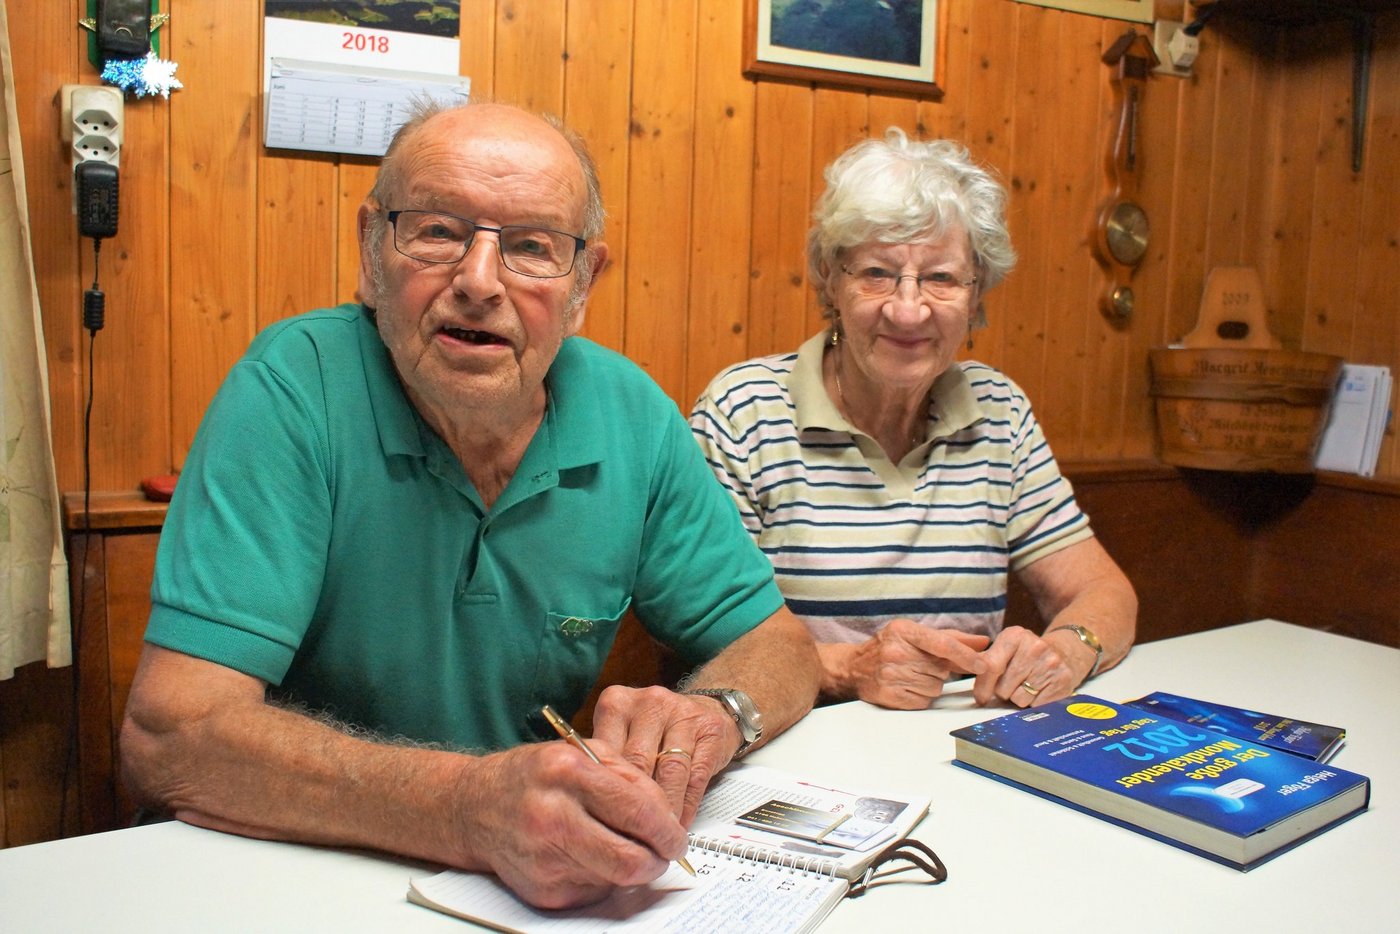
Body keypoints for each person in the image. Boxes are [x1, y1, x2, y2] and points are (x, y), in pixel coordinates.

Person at [119, 100, 821, 911]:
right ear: (371, 251)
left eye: (531, 247)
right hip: (283, 880)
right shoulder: (294, 388)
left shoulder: (630, 413)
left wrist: (718, 714)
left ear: (584, 282)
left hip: (518, 888)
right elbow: (169, 738)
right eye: (437, 231)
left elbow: (777, 642)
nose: (479, 282)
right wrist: (467, 806)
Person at [689, 128, 1136, 712]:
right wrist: (849, 669)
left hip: (965, 747)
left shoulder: (998, 410)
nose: (908, 308)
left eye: (941, 278)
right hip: (798, 746)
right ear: (831, 279)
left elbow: (1104, 592)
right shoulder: (744, 411)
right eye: (877, 272)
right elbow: (702, 630)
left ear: (976, 298)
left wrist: (1065, 652)